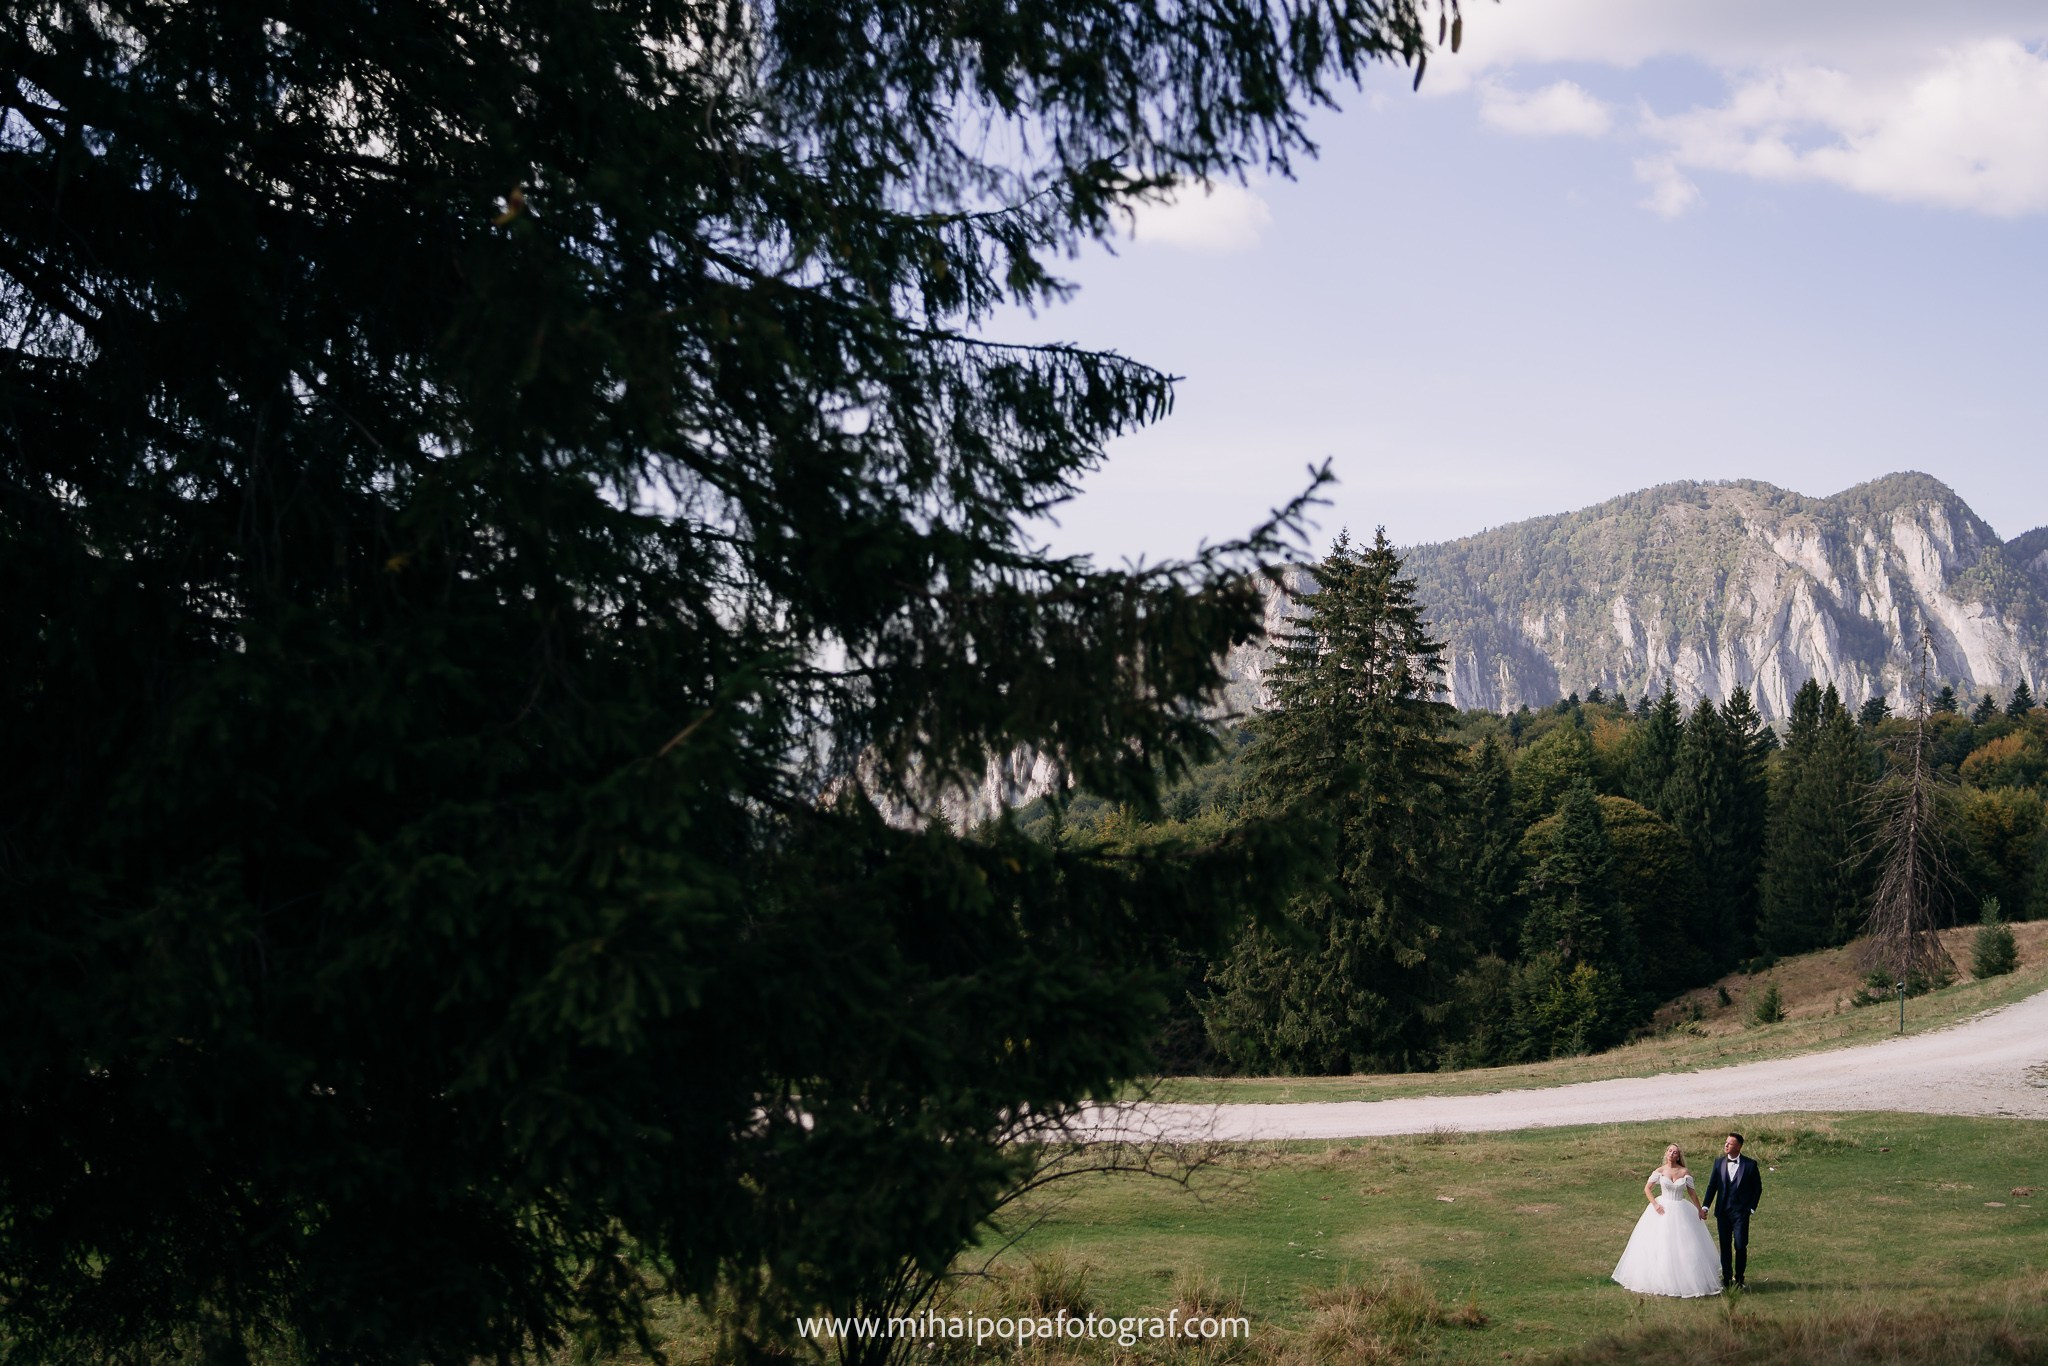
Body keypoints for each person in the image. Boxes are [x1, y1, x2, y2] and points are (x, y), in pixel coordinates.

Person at [1611, 1143, 1724, 1297]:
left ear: (1679, 1156)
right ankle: (1658, 1278)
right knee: (1660, 1242)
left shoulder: (1684, 1172)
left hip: (1680, 1209)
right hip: (1662, 1207)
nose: (1672, 1154)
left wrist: (1699, 1209)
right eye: (1670, 1151)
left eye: (1675, 1152)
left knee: (1685, 1244)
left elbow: (1692, 1193)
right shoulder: (1660, 1171)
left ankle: (1686, 1279)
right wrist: (1655, 1205)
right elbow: (1647, 1188)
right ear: (1666, 1153)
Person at [1702, 1131, 1763, 1288]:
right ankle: (1727, 1278)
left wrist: (1751, 1208)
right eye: (1726, 1142)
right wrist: (1705, 1205)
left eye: (1730, 1143)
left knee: (1741, 1245)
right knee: (1725, 1245)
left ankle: (1740, 1278)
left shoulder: (1750, 1165)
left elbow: (1757, 1188)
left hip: (1741, 1213)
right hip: (1723, 1212)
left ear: (1739, 1146)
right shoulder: (1718, 1163)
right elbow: (1712, 1186)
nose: (1726, 1145)